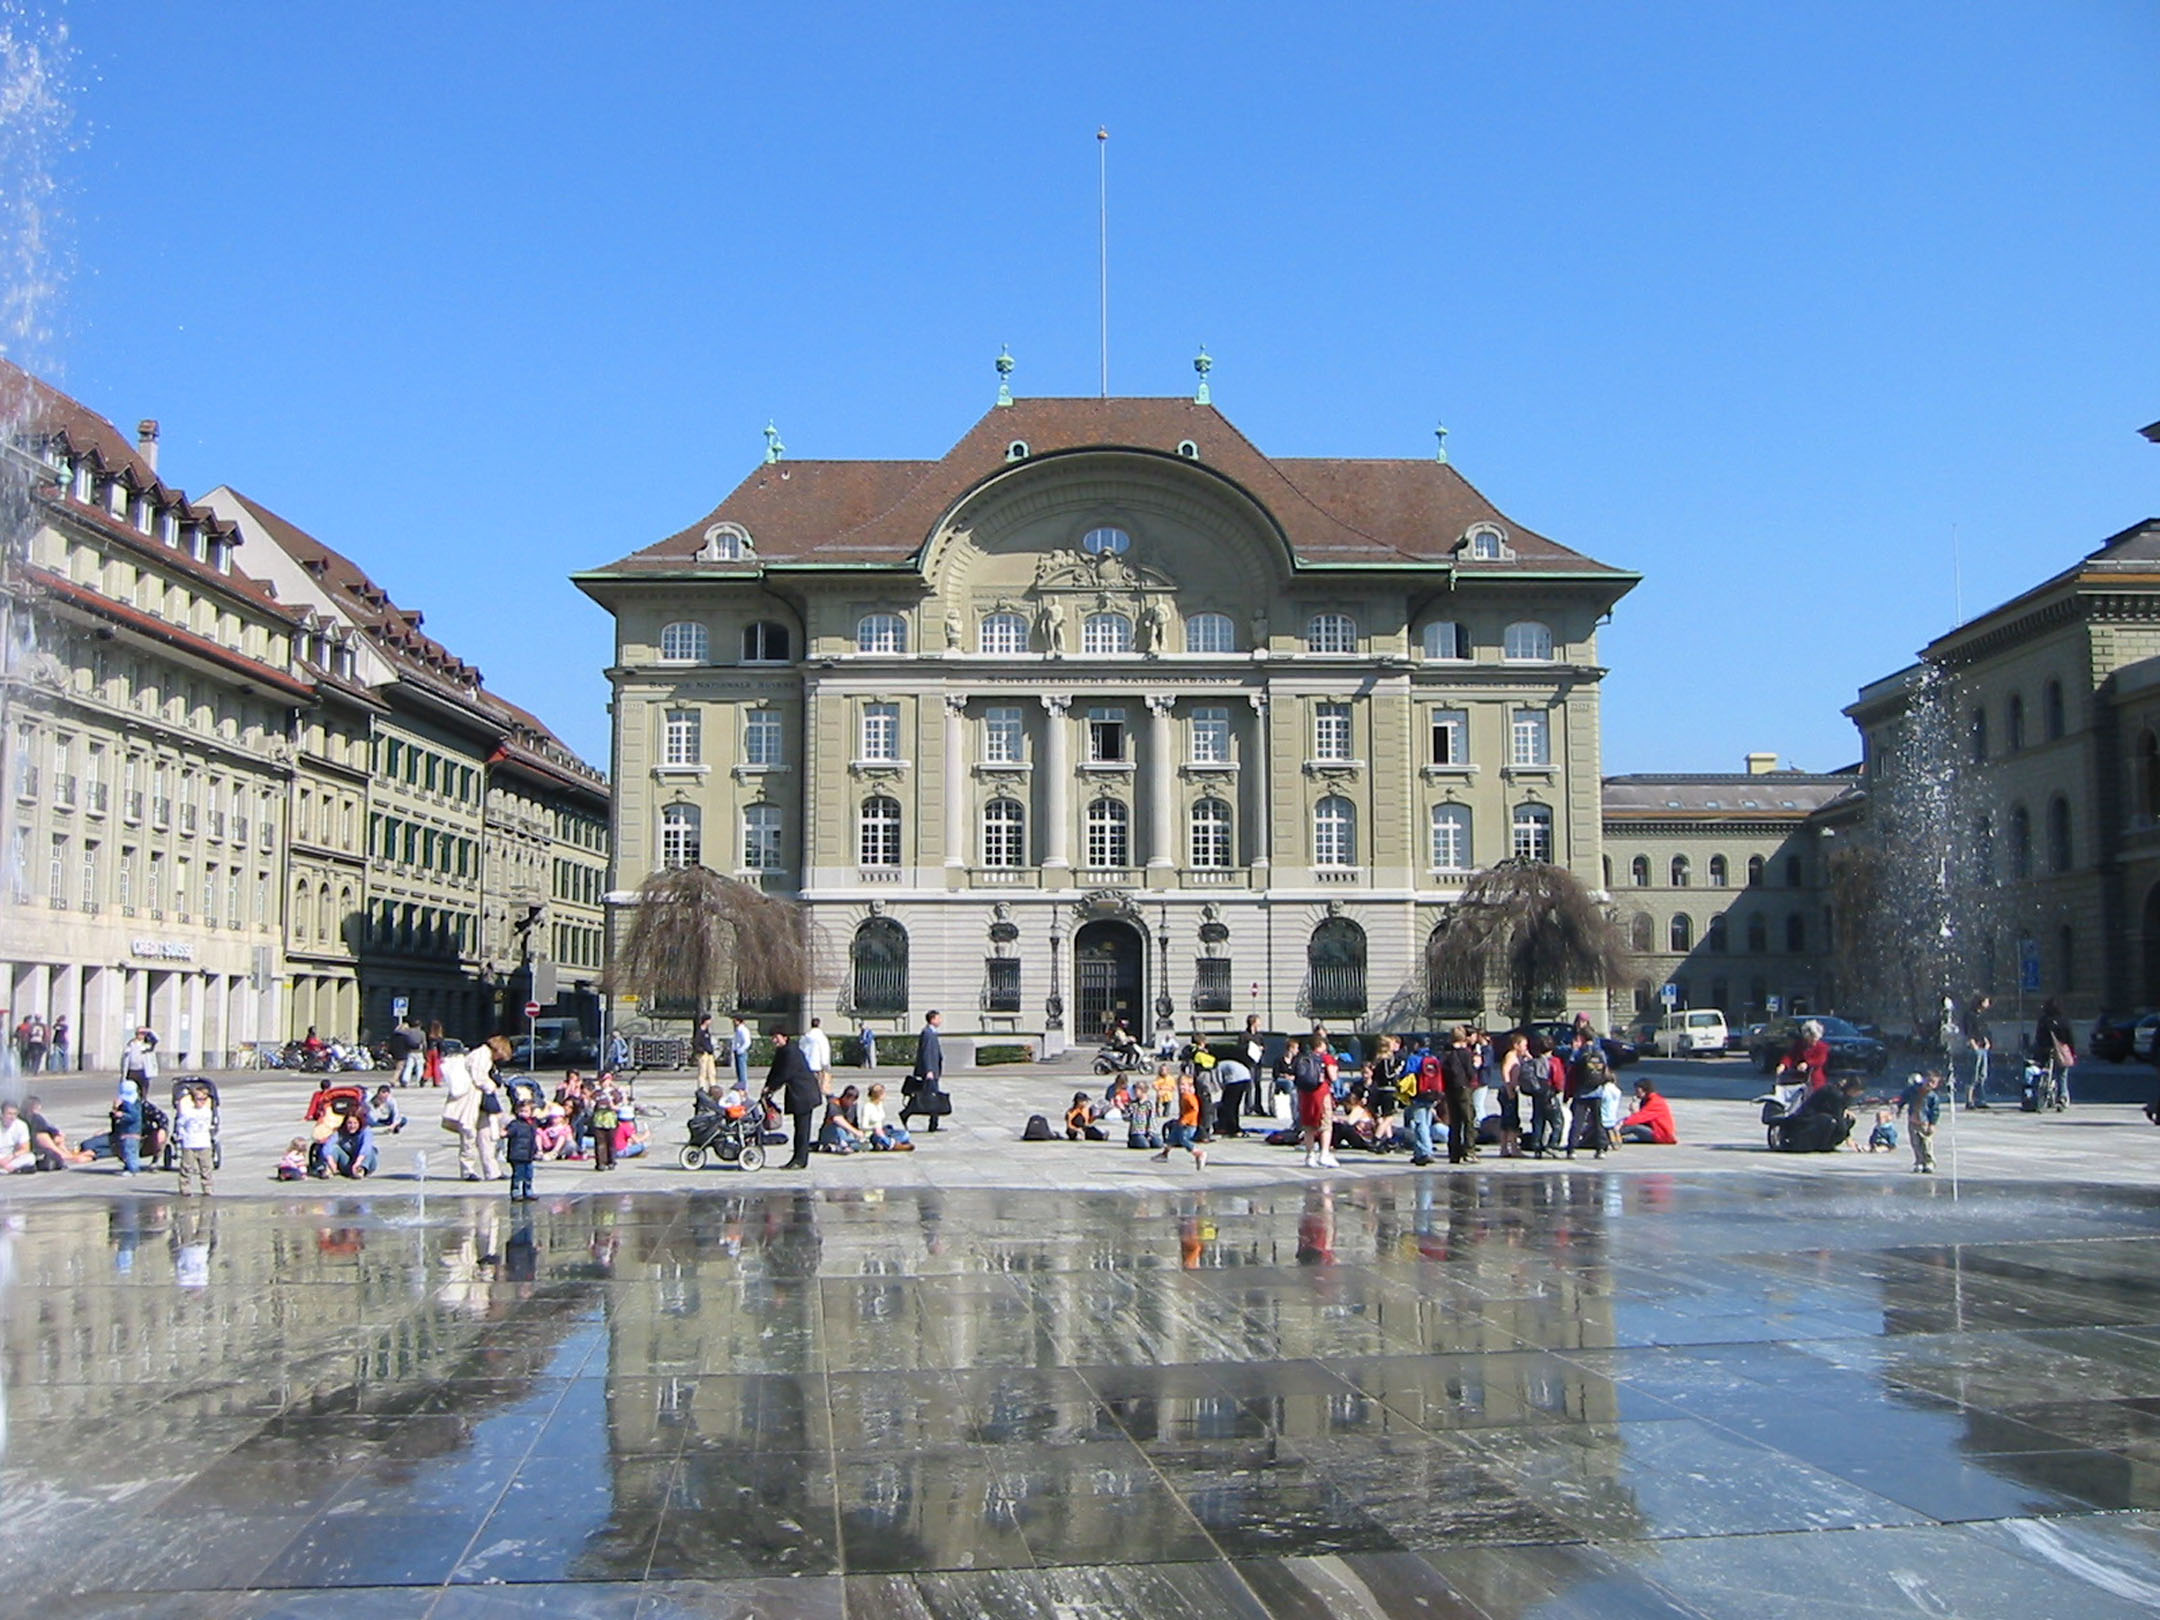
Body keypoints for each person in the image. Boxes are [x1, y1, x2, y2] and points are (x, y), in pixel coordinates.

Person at [764, 1026, 824, 1169]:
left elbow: (785, 1073)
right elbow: (775, 1070)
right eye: (772, 1038)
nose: (774, 1041)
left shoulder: (791, 1051)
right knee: (799, 1127)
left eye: (776, 1037)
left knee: (802, 1129)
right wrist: (767, 1086)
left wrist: (771, 1087)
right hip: (798, 1094)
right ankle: (798, 1158)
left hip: (805, 1094)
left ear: (785, 1037)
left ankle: (800, 1160)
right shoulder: (783, 1051)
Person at [901, 1010, 947, 1133]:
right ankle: (908, 1113)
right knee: (930, 1097)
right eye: (938, 1018)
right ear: (932, 1019)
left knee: (931, 1097)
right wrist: (929, 1070)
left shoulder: (932, 1033)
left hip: (934, 1071)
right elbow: (926, 1053)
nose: (940, 1020)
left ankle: (933, 1123)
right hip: (930, 1072)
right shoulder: (927, 1033)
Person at [1293, 1038, 1336, 1168]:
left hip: (1305, 1094)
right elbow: (1333, 1077)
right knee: (1326, 1125)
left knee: (1308, 1126)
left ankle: (1310, 1155)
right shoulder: (1326, 1058)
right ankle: (1324, 1154)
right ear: (1321, 1045)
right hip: (1321, 1093)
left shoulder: (1303, 1058)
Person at [1152, 1070, 1208, 1169]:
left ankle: (1199, 1153)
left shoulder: (1188, 1096)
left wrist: (1185, 1120)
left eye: (1183, 1085)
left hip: (1188, 1124)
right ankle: (1164, 1154)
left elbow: (1194, 1109)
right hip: (1182, 1122)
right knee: (1172, 1138)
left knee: (1184, 1140)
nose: (1180, 1087)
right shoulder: (1184, 1096)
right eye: (1179, 1084)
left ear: (1190, 1086)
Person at [1404, 1040, 1445, 1166]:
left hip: (1419, 1095)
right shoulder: (1433, 1058)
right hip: (1433, 1094)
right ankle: (1419, 1151)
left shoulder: (1414, 1058)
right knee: (1426, 1123)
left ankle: (1424, 1152)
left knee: (1419, 1124)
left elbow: (1407, 1075)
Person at [1443, 1027, 1479, 1165]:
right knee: (1468, 1119)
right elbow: (1470, 1072)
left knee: (1454, 1121)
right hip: (1463, 1087)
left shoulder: (1446, 1053)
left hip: (1449, 1088)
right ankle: (1469, 1150)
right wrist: (1475, 1065)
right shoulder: (1465, 1054)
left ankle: (1454, 1152)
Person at [172, 1082, 215, 1195]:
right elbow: (180, 1124)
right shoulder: (188, 1112)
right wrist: (181, 1136)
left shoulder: (207, 1112)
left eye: (204, 1099)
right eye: (198, 1099)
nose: (201, 1101)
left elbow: (209, 1125)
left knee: (206, 1167)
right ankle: (185, 1187)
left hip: (204, 1142)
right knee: (187, 1167)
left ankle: (207, 1188)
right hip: (189, 1142)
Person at [22, 1097, 90, 1169]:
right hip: (33, 1141)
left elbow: (48, 1127)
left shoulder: (32, 1116)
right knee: (43, 1136)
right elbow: (44, 1128)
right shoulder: (32, 1117)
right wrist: (56, 1133)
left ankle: (68, 1154)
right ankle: (67, 1156)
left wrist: (57, 1134)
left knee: (56, 1137)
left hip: (35, 1139)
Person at [2035, 997, 2074, 1111]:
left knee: (2045, 1070)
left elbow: (2039, 1036)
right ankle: (2062, 1097)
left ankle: (2042, 1095)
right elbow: (2069, 1037)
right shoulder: (2063, 1020)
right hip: (2060, 1050)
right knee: (2062, 1075)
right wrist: (2072, 1050)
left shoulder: (2043, 1020)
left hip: (2045, 1050)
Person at [1898, 1071, 1942, 1173]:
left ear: (1936, 1085)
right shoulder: (1913, 1090)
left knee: (1926, 1143)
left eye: (1933, 1083)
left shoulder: (1932, 1097)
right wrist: (1899, 1108)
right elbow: (1903, 1097)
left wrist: (1932, 1124)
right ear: (1923, 1079)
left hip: (1924, 1123)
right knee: (1915, 1143)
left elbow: (1935, 1111)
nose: (1929, 1084)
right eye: (1928, 1081)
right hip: (1913, 1121)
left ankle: (1929, 1162)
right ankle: (1919, 1161)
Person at [1775, 1019, 1831, 1094]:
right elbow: (1790, 1056)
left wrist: (1807, 1063)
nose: (1814, 1040)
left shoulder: (1822, 1047)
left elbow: (1820, 1060)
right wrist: (1783, 1064)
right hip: (1797, 1079)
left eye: (1816, 1038)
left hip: (1815, 1080)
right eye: (1812, 1038)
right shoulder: (1800, 1044)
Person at [1619, 1078, 1677, 1145]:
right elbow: (1643, 1119)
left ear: (1645, 1090)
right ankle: (1612, 1133)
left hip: (1662, 1135)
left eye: (1638, 1090)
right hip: (1655, 1131)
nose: (1636, 1093)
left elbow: (1639, 1118)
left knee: (1633, 1126)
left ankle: (1612, 1134)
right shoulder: (1645, 1100)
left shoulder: (1656, 1101)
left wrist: (1622, 1123)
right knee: (1630, 1123)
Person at [503, 1099, 540, 1200]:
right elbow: (509, 1132)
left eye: (526, 1111)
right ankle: (516, 1191)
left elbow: (533, 1138)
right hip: (517, 1154)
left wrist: (536, 1150)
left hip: (528, 1154)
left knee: (528, 1174)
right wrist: (504, 1133)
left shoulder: (532, 1124)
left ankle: (528, 1190)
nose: (523, 1113)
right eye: (521, 1111)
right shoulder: (515, 1124)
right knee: (518, 1174)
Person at [1964, 994, 1994, 1109]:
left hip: (1982, 1047)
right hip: (1975, 1047)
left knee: (1982, 1075)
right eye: (1986, 1001)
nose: (1988, 1004)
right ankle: (1969, 1100)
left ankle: (1980, 1100)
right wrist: (1973, 1044)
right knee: (1973, 1074)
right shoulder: (1970, 1015)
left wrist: (1987, 1041)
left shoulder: (1981, 1016)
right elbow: (1969, 1031)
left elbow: (1983, 1030)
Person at [861, 1082, 912, 1150]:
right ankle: (893, 1145)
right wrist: (874, 1128)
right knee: (881, 1138)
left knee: (905, 1134)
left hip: (883, 1131)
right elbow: (863, 1126)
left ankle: (887, 1144)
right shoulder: (867, 1107)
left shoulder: (880, 1104)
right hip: (873, 1134)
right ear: (879, 1095)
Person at [1212, 1053, 1253, 1137]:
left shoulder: (1217, 1067)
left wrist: (1219, 1090)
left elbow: (1218, 1081)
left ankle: (1230, 1128)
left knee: (1229, 1106)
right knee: (1235, 1105)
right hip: (1246, 1078)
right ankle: (1234, 1127)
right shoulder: (1225, 1063)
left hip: (1235, 1080)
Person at [821, 1085, 870, 1153]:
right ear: (845, 1097)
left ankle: (835, 1147)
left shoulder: (853, 1106)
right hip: (831, 1132)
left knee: (868, 1146)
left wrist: (859, 1134)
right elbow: (837, 1118)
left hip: (846, 1134)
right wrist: (855, 1131)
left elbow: (854, 1123)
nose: (852, 1102)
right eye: (851, 1100)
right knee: (838, 1127)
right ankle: (842, 1145)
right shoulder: (834, 1102)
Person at [111, 1077, 145, 1176]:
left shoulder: (131, 1104)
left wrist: (122, 1115)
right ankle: (129, 1166)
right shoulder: (132, 1102)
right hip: (128, 1132)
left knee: (130, 1151)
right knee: (128, 1151)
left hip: (131, 1132)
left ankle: (133, 1169)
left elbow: (133, 1117)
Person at [800, 1017, 834, 1096]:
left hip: (807, 1063)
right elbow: (824, 1050)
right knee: (818, 1081)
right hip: (817, 1063)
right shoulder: (821, 1037)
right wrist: (825, 1063)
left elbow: (801, 1048)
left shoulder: (806, 1036)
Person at [121, 1027, 159, 1095]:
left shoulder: (147, 1045)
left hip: (142, 1072)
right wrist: (123, 1074)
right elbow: (124, 1060)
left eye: (143, 1034)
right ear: (136, 1034)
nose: (142, 1035)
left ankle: (142, 1103)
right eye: (140, 1033)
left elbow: (156, 1039)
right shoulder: (130, 1045)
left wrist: (149, 1031)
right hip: (131, 1072)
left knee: (143, 1093)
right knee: (131, 1092)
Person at [392, 1017, 425, 1088]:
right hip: (418, 1051)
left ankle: (405, 1080)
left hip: (410, 1052)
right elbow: (424, 1043)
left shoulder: (408, 1032)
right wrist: (424, 1051)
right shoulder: (422, 1033)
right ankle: (419, 1081)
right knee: (419, 1067)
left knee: (409, 1067)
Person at [0, 1101, 32, 1173]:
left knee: (31, 1158)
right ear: (2, 1114)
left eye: (15, 1114)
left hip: (10, 1156)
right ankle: (7, 1169)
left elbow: (26, 1148)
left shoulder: (21, 1125)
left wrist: (11, 1157)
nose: (12, 1117)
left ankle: (6, 1169)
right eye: (9, 1114)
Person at [694, 1013, 719, 1091]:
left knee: (712, 1072)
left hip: (710, 1054)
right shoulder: (700, 1031)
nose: (711, 1022)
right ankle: (702, 1088)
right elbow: (696, 1043)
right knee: (703, 1073)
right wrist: (701, 1051)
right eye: (709, 1020)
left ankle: (713, 1088)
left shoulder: (707, 1031)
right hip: (703, 1054)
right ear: (706, 1021)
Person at [729, 1013, 753, 1092]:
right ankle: (740, 1086)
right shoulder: (738, 1029)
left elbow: (747, 1042)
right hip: (737, 1051)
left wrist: (741, 1050)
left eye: (735, 1020)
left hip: (741, 1052)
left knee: (742, 1071)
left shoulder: (742, 1030)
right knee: (739, 1071)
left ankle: (743, 1087)